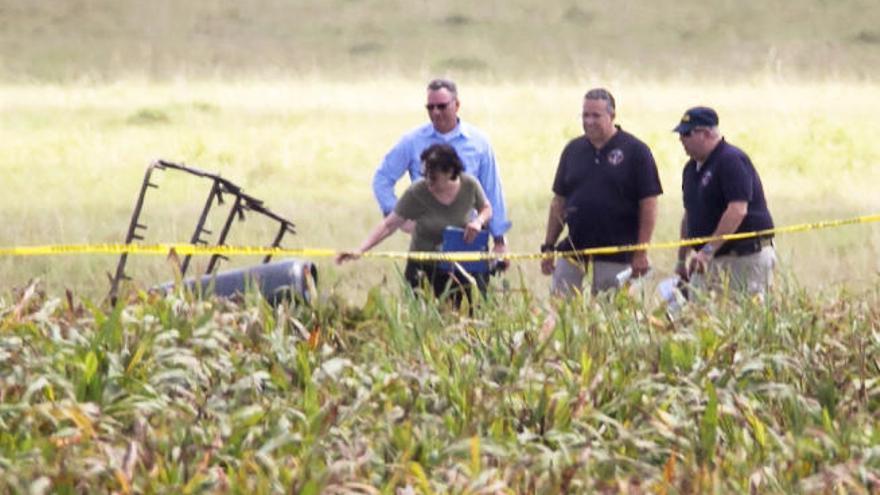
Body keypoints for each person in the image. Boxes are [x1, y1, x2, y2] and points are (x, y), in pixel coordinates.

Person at [372, 78, 511, 268]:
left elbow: (492, 192)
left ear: (457, 105)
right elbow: (382, 179)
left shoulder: (479, 143)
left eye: (442, 106)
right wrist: (399, 216)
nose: (436, 112)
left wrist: (499, 241)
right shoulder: (412, 141)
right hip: (426, 244)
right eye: (430, 107)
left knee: (468, 295)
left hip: (466, 240)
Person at [540, 88, 663, 295]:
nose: (589, 121)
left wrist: (641, 251)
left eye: (596, 115)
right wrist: (548, 246)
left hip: (617, 249)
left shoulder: (636, 151)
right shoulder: (573, 150)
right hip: (575, 246)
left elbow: (649, 204)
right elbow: (559, 202)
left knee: (610, 313)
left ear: (612, 115)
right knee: (560, 306)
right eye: (585, 115)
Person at [339, 144, 492, 304]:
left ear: (450, 172)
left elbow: (487, 209)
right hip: (422, 269)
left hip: (459, 269)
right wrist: (360, 250)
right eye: (424, 175)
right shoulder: (417, 192)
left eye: (433, 177)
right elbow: (389, 225)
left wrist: (478, 222)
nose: (427, 181)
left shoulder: (470, 185)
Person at [673, 106, 776, 295]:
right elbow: (690, 214)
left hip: (744, 257)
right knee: (698, 317)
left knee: (740, 317)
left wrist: (708, 250)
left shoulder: (731, 160)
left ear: (705, 133)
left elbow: (737, 210)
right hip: (708, 260)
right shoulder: (690, 169)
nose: (681, 139)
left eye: (686, 134)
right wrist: (682, 259)